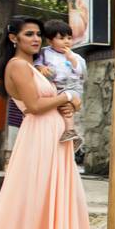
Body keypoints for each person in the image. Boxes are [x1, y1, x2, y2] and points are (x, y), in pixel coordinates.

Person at [0, 16, 98, 229]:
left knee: (58, 197)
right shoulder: (17, 66)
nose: (36, 39)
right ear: (14, 38)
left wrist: (69, 102)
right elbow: (35, 105)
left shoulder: (36, 66)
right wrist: (66, 99)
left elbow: (56, 98)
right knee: (38, 196)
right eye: (29, 34)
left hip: (53, 133)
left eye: (38, 34)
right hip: (39, 134)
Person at [35, 19, 86, 150]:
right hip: (55, 87)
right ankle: (71, 134)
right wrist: (41, 67)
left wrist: (72, 59)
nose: (67, 41)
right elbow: (37, 64)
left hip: (72, 87)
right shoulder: (45, 53)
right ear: (49, 41)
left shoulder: (75, 56)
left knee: (66, 106)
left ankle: (70, 131)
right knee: (60, 108)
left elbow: (81, 73)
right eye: (61, 38)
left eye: (69, 38)